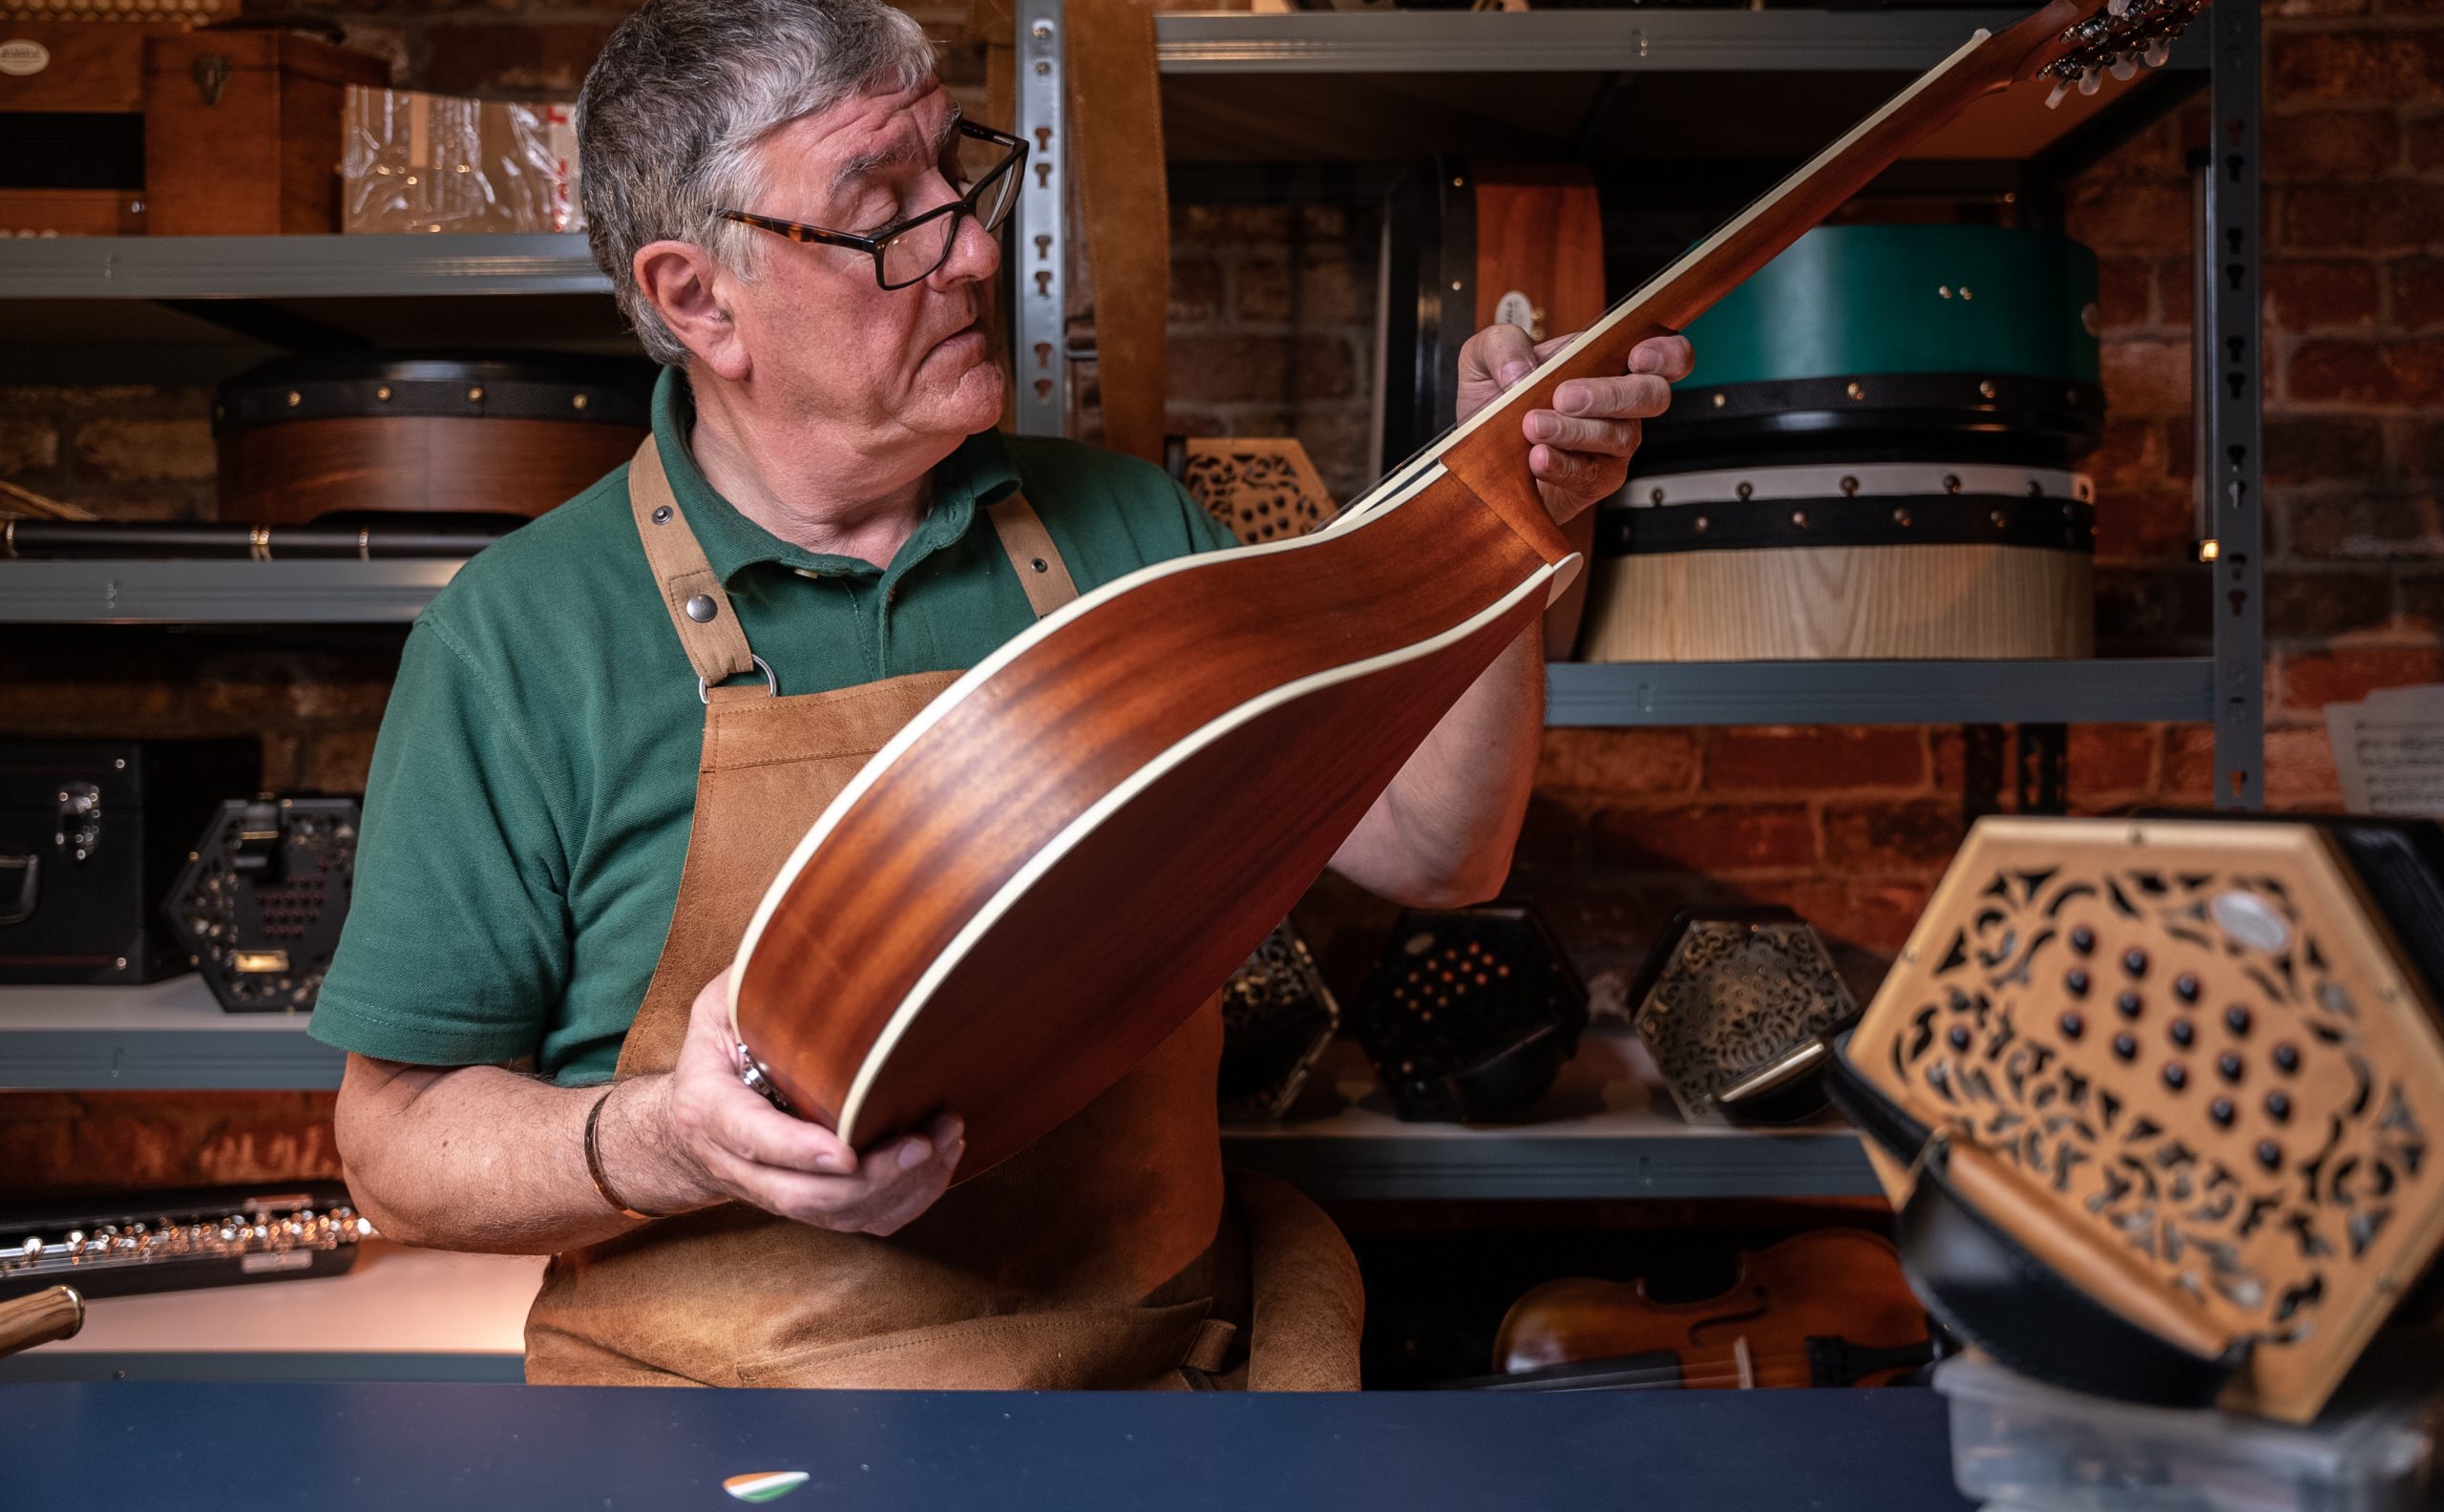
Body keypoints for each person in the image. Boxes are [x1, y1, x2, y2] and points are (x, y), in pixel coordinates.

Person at [311, 0, 1693, 1389]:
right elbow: (396, 1147)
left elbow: (1437, 850)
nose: (973, 250)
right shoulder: (517, 642)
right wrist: (666, 1140)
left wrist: (1512, 510)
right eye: (885, 213)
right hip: (708, 1426)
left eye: (951, 175)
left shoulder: (1128, 535)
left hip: (1152, 1389)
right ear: (698, 299)